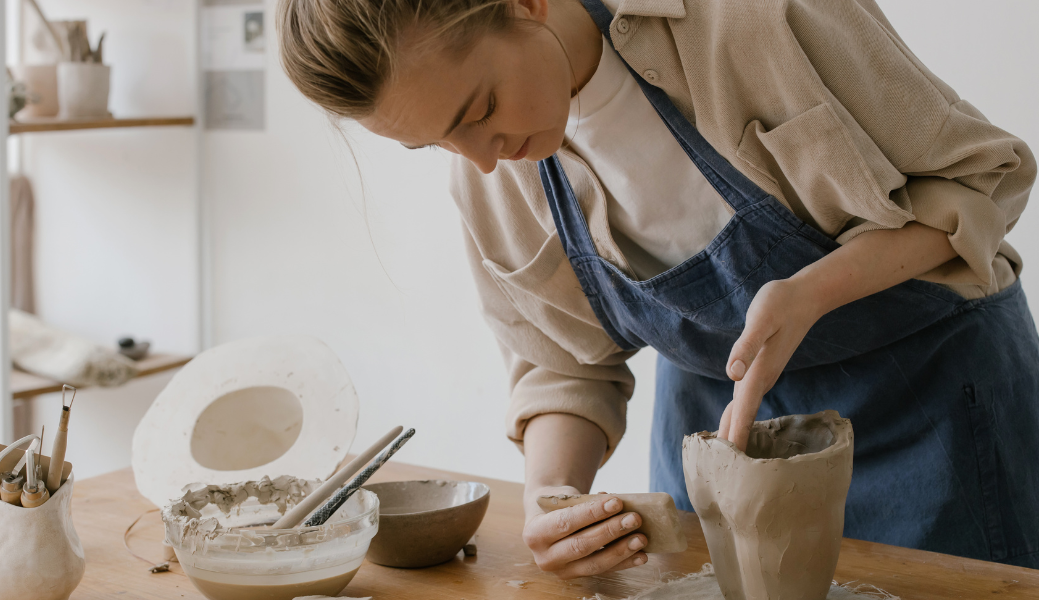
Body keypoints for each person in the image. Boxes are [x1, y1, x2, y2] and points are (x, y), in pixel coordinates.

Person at [278, 0, 1039, 575]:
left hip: (934, 412)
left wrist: (816, 287)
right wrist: (553, 497)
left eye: (478, 110)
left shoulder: (752, 21)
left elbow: (981, 180)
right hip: (716, 439)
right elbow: (563, 366)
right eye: (434, 141)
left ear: (527, 4)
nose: (480, 158)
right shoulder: (488, 178)